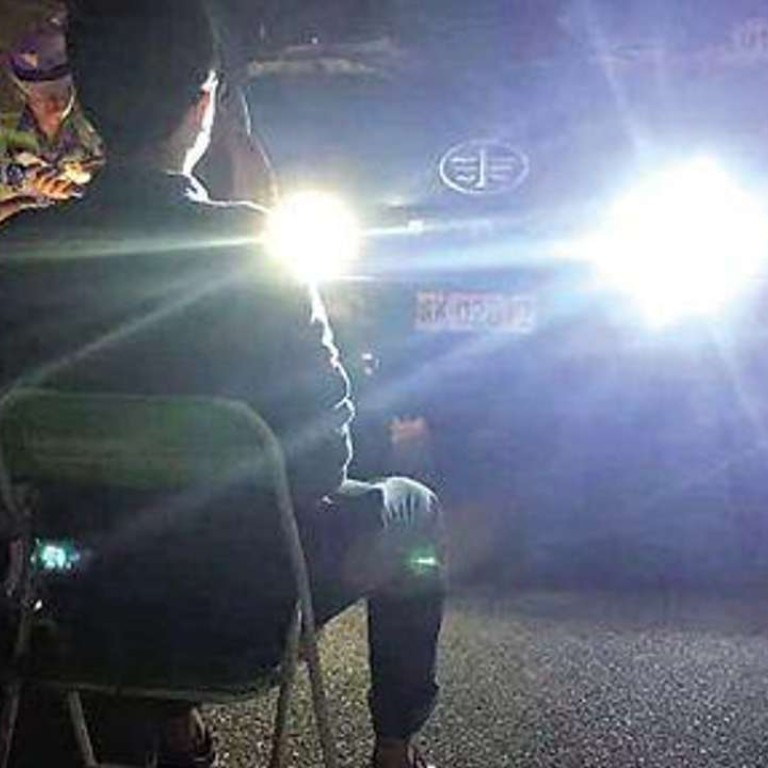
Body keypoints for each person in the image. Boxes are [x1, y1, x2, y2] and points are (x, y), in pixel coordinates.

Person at [0, 1, 444, 767]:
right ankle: (394, 750)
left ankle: (172, 726)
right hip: (240, 614)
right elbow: (320, 463)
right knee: (413, 510)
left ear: (86, 102)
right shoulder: (256, 249)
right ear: (203, 106)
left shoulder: (20, 253)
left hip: (78, 603)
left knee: (144, 510)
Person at [0, 8, 102, 225]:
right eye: (42, 95)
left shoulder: (99, 122)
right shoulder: (6, 134)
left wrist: (87, 183)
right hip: (25, 236)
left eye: (62, 91)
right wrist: (27, 202)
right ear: (22, 93)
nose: (55, 102)